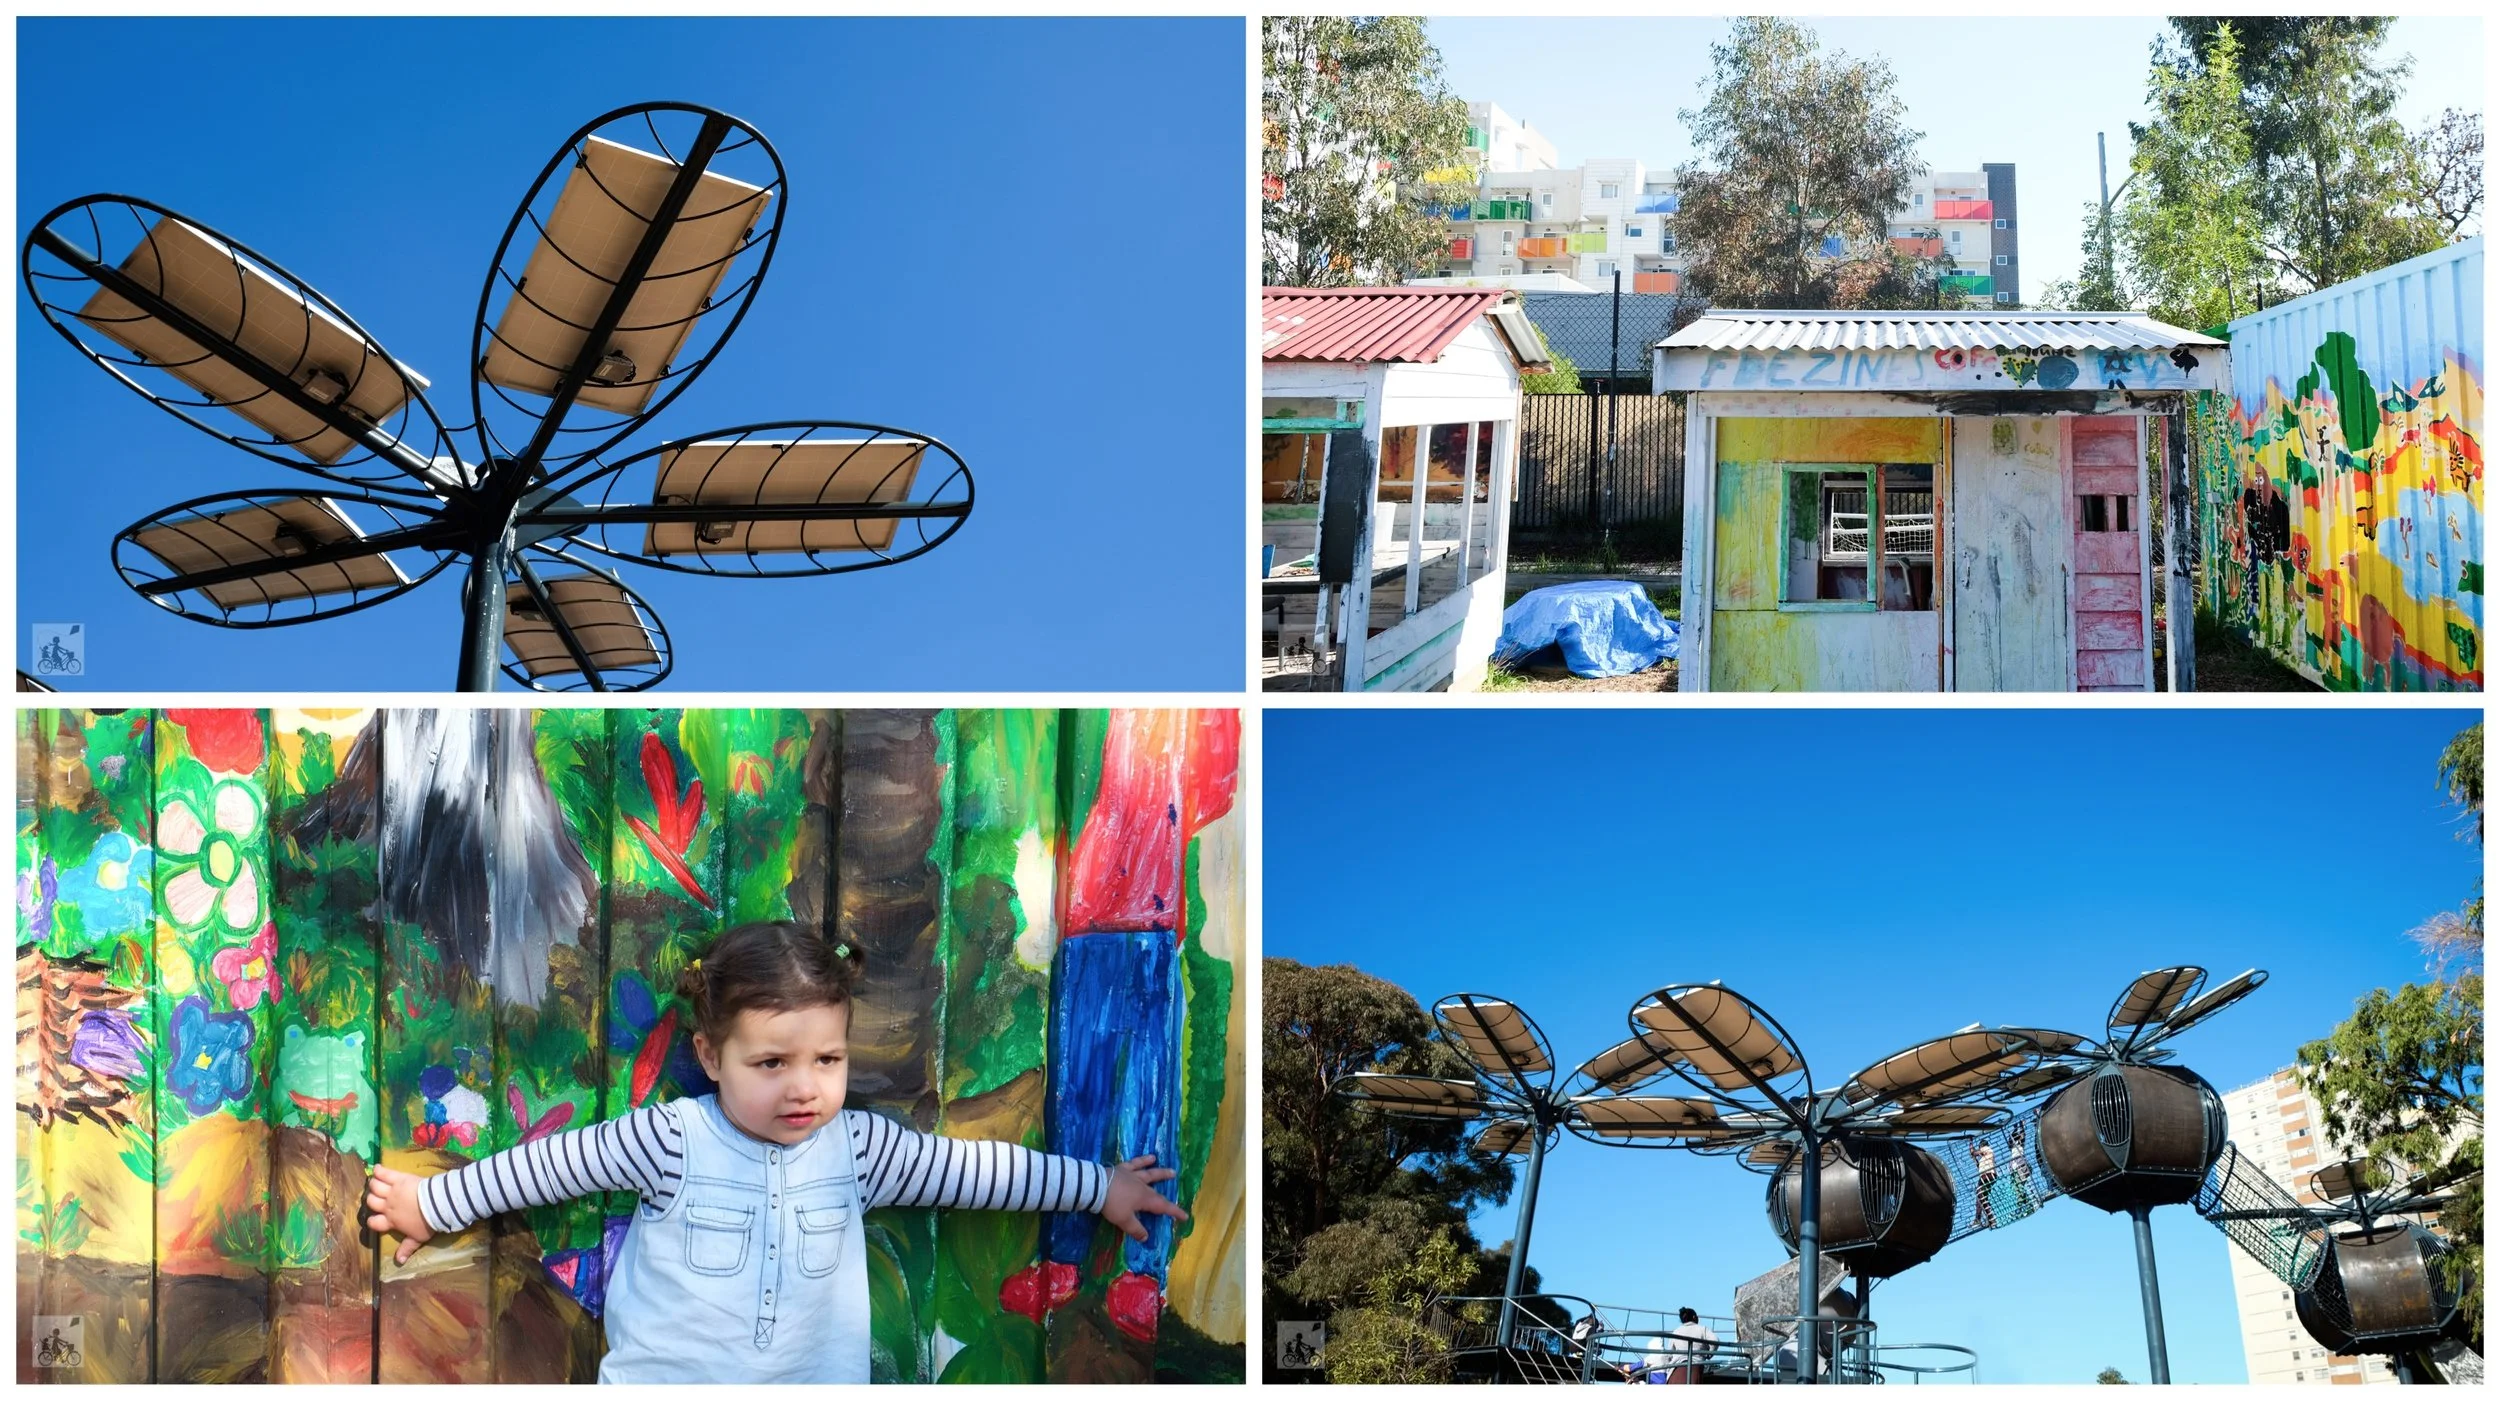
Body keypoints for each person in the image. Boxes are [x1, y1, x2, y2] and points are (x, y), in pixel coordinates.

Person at [363, 922, 1185, 1384]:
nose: (804, 1087)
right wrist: (432, 1204)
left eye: (827, 1061)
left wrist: (1096, 1186)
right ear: (712, 1055)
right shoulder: (671, 1138)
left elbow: (976, 1171)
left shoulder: (858, 1147)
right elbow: (548, 1167)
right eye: (771, 1064)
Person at [1665, 1306, 1717, 1384]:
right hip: (1696, 1366)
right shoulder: (1702, 1329)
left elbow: (1669, 1353)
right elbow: (1715, 1341)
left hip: (1675, 1370)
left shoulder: (1676, 1331)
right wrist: (1709, 1354)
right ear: (1694, 1317)